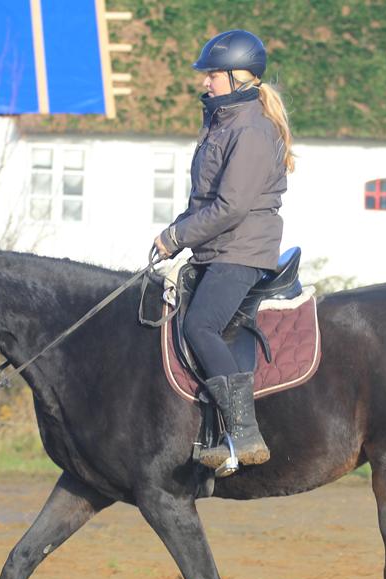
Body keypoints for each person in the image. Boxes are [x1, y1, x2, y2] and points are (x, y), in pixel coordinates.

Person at [152, 29, 295, 469]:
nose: (204, 82)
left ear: (238, 77)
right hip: (218, 247)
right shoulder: (226, 123)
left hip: (242, 251)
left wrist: (176, 238)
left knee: (201, 327)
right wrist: (178, 231)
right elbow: (206, 201)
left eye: (212, 75)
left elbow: (231, 206)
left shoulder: (250, 129)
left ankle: (244, 431)